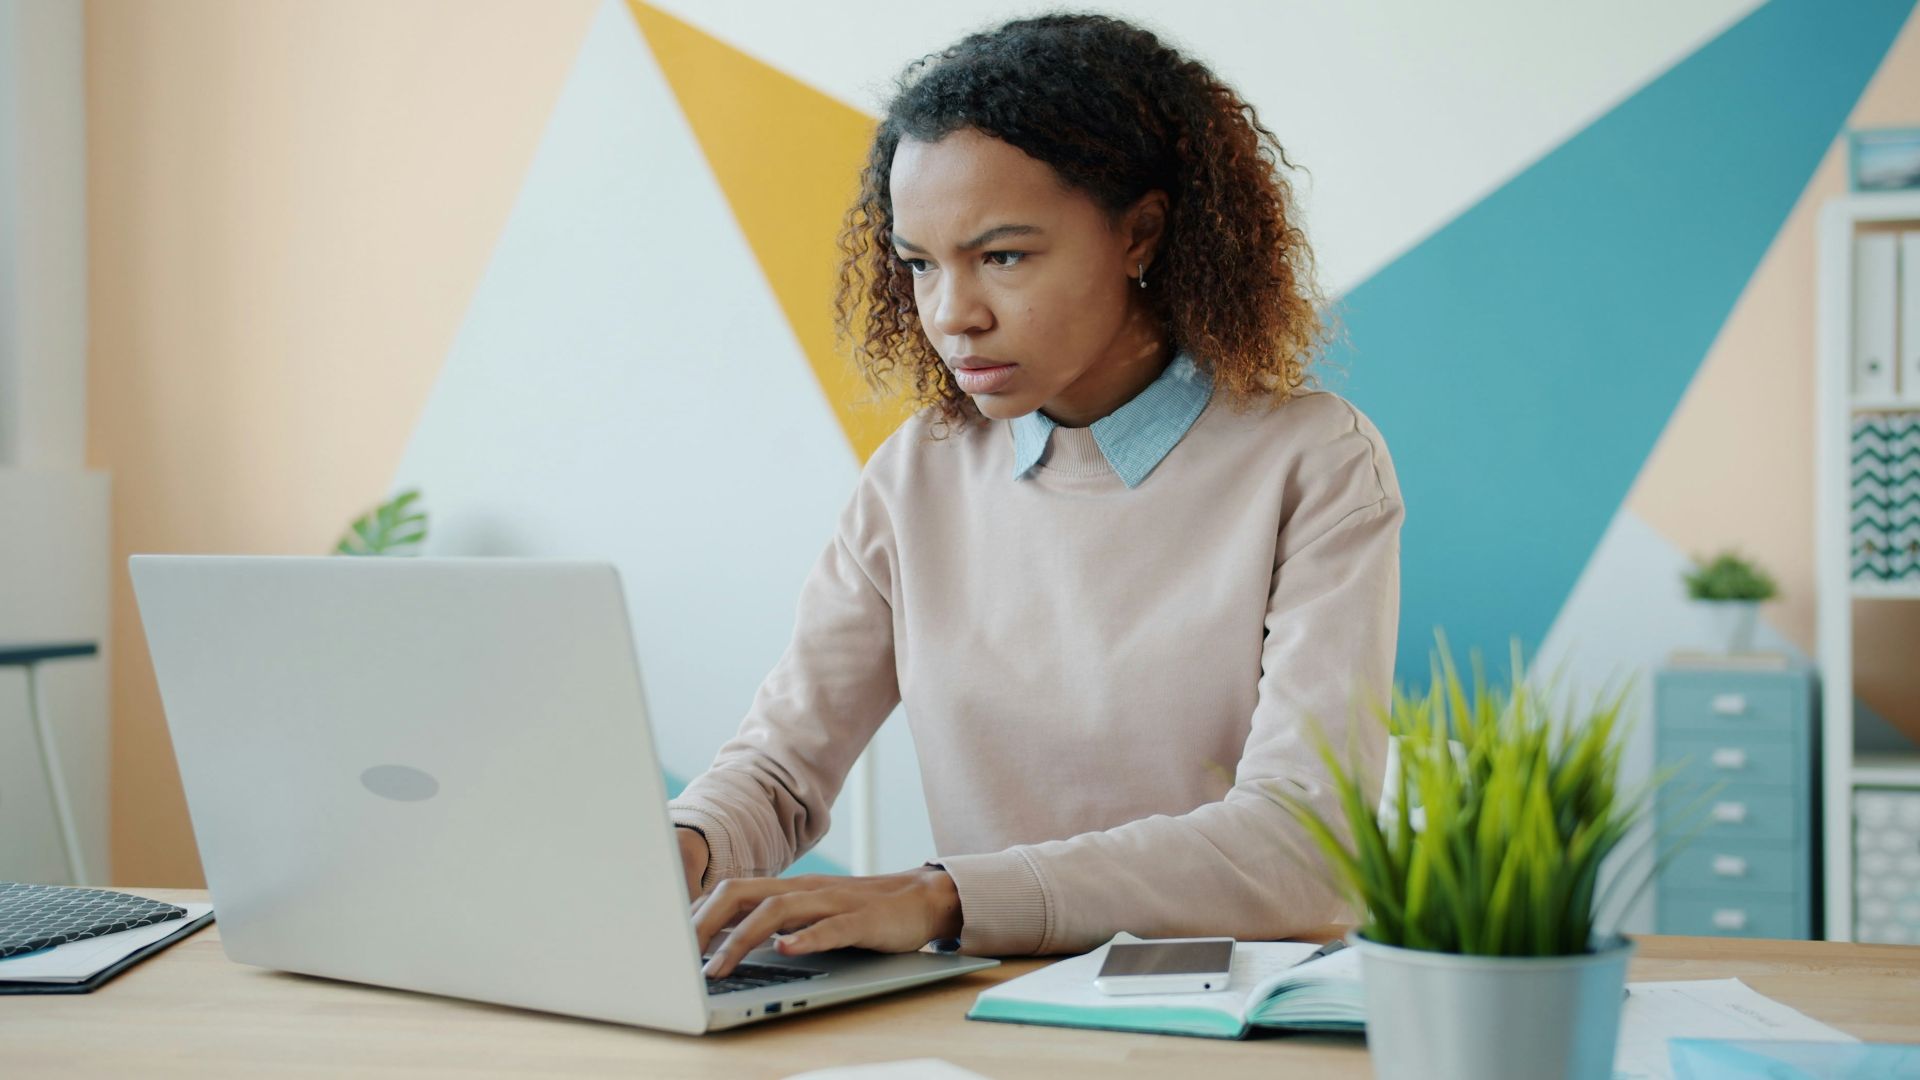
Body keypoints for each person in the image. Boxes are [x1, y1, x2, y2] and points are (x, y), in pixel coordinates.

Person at [675, 12, 1404, 979]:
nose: (951, 315)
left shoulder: (1314, 462)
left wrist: (944, 895)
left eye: (1004, 256)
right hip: (994, 1010)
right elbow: (777, 773)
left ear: (1140, 232)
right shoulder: (917, 472)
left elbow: (1304, 844)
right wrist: (678, 851)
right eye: (921, 264)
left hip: (1231, 1017)